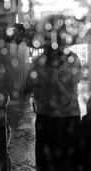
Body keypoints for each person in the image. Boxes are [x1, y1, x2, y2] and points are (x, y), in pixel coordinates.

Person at [25, 35, 82, 170]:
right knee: (69, 160)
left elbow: (29, 86)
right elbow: (76, 80)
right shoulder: (73, 59)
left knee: (47, 160)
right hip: (70, 115)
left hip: (47, 117)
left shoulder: (40, 61)